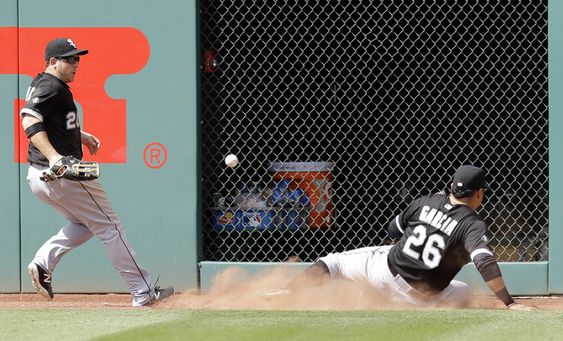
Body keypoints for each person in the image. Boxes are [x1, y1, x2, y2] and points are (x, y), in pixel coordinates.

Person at [20, 37, 174, 307]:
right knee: (110, 227)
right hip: (61, 174)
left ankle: (43, 263)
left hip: (38, 176)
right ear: (53, 62)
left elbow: (53, 122)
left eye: (77, 58)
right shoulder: (52, 86)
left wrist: (80, 135)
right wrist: (56, 157)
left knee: (85, 224)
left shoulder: (44, 82)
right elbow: (29, 118)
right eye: (70, 59)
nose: (76, 63)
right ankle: (143, 291)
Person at [279, 165, 536, 310]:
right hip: (421, 297)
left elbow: (393, 231)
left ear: (451, 186)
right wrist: (509, 303)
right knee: (463, 292)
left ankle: (286, 292)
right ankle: (385, 302)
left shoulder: (426, 201)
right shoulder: (472, 223)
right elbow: (485, 262)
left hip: (385, 272)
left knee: (333, 263)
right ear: (479, 194)